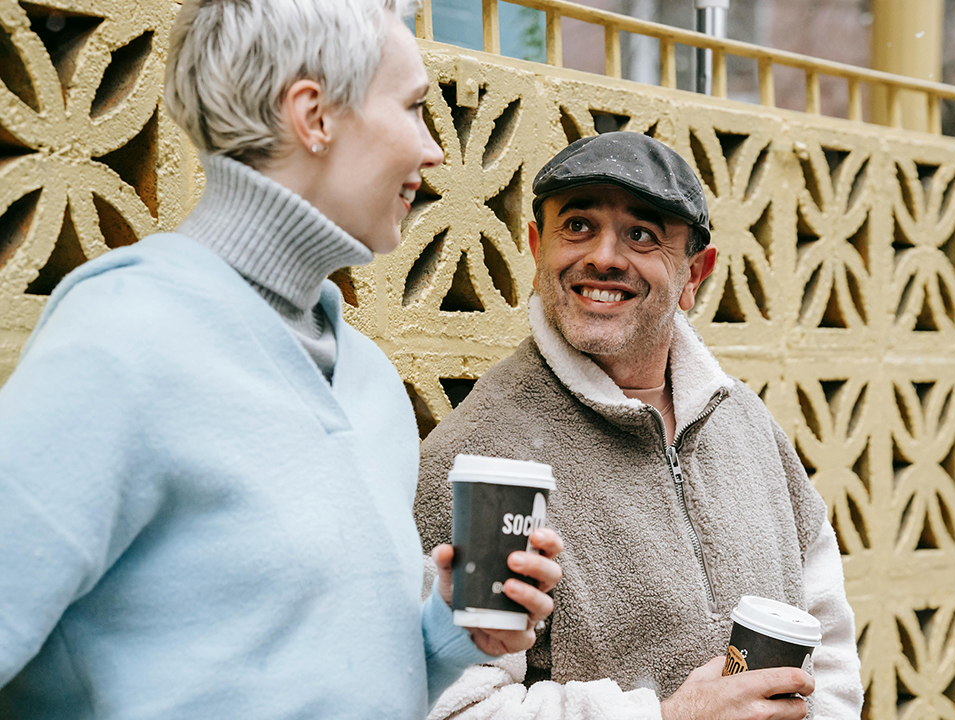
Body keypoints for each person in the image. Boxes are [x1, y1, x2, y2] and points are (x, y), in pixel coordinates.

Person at [0, 1, 562, 717]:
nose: (436, 151)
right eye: (414, 106)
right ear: (313, 115)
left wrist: (453, 630)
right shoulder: (122, 342)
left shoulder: (370, 381)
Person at [414, 132, 864, 720]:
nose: (603, 255)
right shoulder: (484, 457)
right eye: (576, 226)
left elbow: (827, 642)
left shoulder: (749, 428)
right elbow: (456, 706)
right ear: (534, 247)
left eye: (641, 235)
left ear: (695, 274)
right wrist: (673, 716)